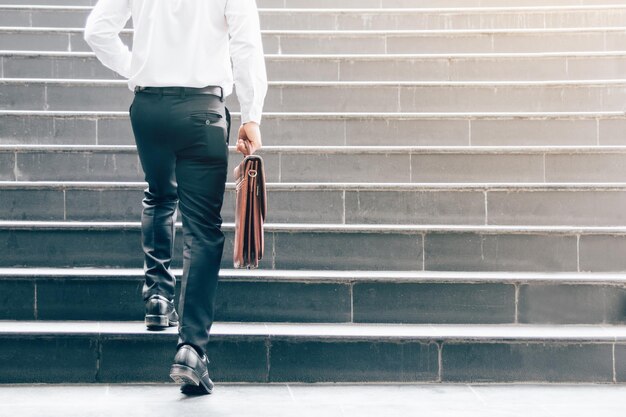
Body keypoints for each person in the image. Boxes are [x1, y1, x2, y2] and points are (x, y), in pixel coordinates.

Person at [84, 0, 267, 395]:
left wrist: (137, 68)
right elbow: (246, 45)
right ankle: (191, 349)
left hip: (148, 107)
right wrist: (252, 114)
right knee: (202, 230)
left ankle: (157, 296)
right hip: (202, 110)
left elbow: (96, 30)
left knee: (159, 195)